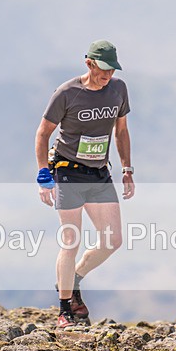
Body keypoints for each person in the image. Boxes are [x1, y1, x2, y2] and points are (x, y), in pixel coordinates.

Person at [35, 40, 135, 328]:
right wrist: (44, 174)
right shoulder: (67, 93)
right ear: (89, 63)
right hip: (68, 171)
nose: (108, 76)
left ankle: (73, 279)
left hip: (99, 172)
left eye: (112, 70)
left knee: (113, 240)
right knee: (71, 240)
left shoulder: (118, 89)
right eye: (103, 69)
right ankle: (65, 309)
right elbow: (43, 134)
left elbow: (122, 131)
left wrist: (127, 168)